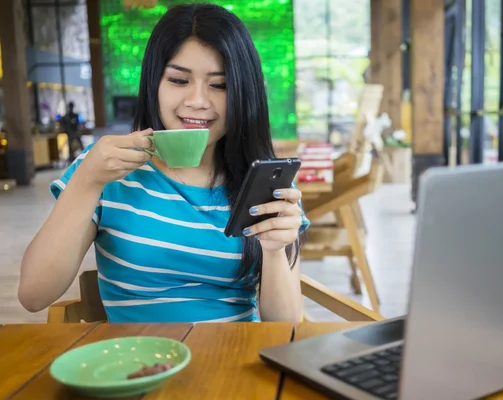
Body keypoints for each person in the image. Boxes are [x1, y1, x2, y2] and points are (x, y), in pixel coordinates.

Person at [18, 4, 310, 323]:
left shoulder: (265, 182)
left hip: (235, 363)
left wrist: (273, 249)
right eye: (179, 80)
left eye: (219, 85)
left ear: (244, 92)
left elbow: (285, 329)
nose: (197, 101)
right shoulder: (106, 169)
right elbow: (34, 295)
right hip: (138, 365)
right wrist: (87, 181)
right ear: (154, 83)